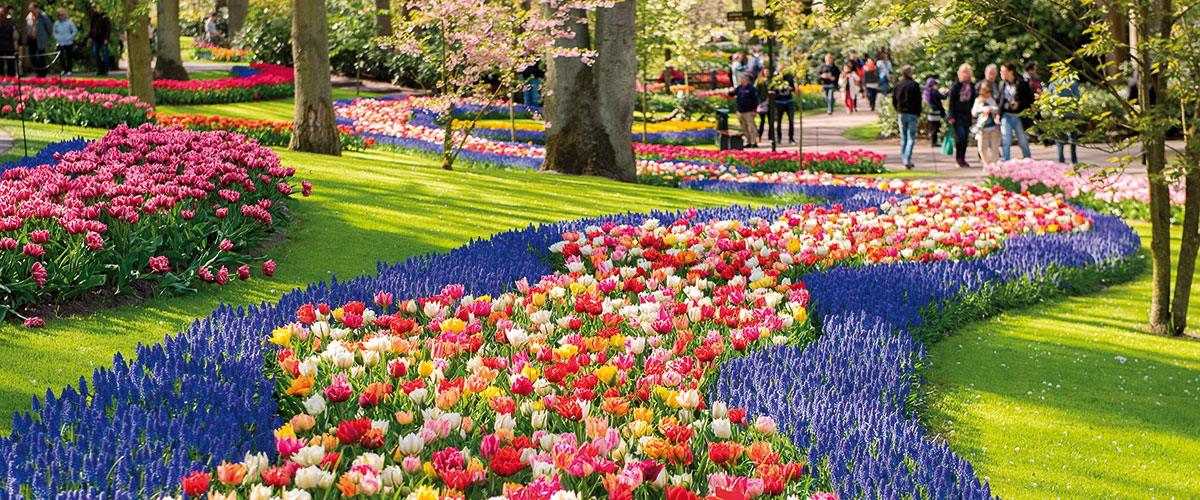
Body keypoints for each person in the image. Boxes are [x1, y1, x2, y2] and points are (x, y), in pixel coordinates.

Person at [997, 61, 1034, 160]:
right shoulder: (1002, 84)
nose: (1001, 73)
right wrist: (998, 114)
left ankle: (1028, 160)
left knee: (1022, 141)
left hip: (1018, 116)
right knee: (1006, 140)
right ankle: (1006, 163)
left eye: (1003, 71)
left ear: (1011, 72)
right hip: (1006, 115)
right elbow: (1000, 101)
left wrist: (1019, 104)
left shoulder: (1022, 83)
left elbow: (1030, 99)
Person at [946, 63, 977, 167]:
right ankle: (958, 157)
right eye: (963, 73)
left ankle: (963, 158)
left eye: (967, 73)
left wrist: (974, 116)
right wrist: (951, 116)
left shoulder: (971, 87)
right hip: (957, 115)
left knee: (965, 138)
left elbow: (973, 102)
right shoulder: (956, 86)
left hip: (967, 115)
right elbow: (951, 102)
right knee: (960, 136)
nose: (965, 75)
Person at [892, 65, 921, 169]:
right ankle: (906, 159)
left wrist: (897, 109)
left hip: (902, 113)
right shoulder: (914, 85)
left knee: (903, 137)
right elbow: (918, 101)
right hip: (912, 113)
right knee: (910, 138)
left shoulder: (898, 85)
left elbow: (894, 100)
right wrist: (918, 112)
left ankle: (905, 158)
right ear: (910, 73)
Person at [1048, 77, 1081, 165]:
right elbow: (1077, 98)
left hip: (1058, 114)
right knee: (1073, 137)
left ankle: (1061, 160)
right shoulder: (1073, 84)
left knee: (1060, 138)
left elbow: (1049, 101)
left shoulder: (1052, 85)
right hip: (1071, 113)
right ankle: (1074, 160)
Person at [972, 83, 1002, 164]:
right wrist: (983, 109)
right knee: (982, 149)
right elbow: (974, 112)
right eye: (986, 92)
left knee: (995, 149)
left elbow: (998, 109)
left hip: (994, 128)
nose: (988, 94)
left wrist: (991, 108)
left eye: (990, 92)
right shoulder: (978, 100)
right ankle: (987, 164)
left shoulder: (992, 99)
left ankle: (996, 164)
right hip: (983, 128)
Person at [730, 73, 759, 147]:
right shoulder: (739, 88)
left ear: (746, 79)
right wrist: (731, 91)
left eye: (741, 78)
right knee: (743, 127)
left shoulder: (751, 89)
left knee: (751, 126)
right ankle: (748, 141)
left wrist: (754, 110)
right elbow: (732, 95)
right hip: (740, 110)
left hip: (748, 110)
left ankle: (754, 142)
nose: (740, 80)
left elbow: (755, 100)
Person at [25, 3, 50, 77]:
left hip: (41, 39)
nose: (30, 11)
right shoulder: (29, 16)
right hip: (32, 39)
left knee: (42, 55)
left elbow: (49, 28)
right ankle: (39, 71)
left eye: (31, 9)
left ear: (36, 8)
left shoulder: (43, 17)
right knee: (32, 56)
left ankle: (43, 73)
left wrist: (45, 37)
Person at [772, 72, 796, 143]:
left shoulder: (789, 76)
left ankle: (791, 137)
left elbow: (793, 88)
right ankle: (779, 138)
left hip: (788, 101)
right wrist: (777, 88)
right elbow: (771, 88)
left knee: (791, 120)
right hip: (779, 102)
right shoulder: (775, 77)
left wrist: (790, 88)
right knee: (778, 121)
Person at [924, 77, 947, 147]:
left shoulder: (930, 92)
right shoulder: (934, 92)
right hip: (935, 112)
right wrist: (948, 92)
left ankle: (934, 141)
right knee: (936, 127)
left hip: (931, 112)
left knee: (934, 127)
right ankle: (934, 142)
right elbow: (943, 97)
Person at [87, 4, 109, 75]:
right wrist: (90, 37)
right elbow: (91, 27)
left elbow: (108, 29)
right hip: (96, 38)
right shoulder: (94, 16)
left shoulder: (105, 16)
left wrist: (106, 38)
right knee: (95, 52)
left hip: (103, 38)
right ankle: (100, 68)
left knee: (105, 53)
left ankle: (105, 70)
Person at [52, 8, 75, 76]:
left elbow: (75, 31)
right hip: (60, 42)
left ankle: (69, 70)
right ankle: (64, 69)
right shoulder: (56, 23)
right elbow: (54, 32)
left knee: (69, 56)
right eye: (59, 15)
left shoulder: (70, 22)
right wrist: (56, 37)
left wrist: (70, 37)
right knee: (60, 56)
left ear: (65, 15)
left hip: (68, 42)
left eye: (62, 15)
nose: (60, 16)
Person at [756, 67, 772, 142]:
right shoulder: (759, 81)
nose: (767, 73)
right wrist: (759, 102)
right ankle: (759, 136)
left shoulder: (771, 81)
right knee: (762, 121)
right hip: (763, 102)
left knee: (770, 121)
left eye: (768, 71)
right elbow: (756, 92)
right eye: (765, 72)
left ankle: (770, 137)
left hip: (770, 103)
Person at [0, 7, 17, 77]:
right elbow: (15, 36)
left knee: (5, 68)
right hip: (8, 47)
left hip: (5, 47)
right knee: (10, 67)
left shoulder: (10, 23)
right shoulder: (10, 23)